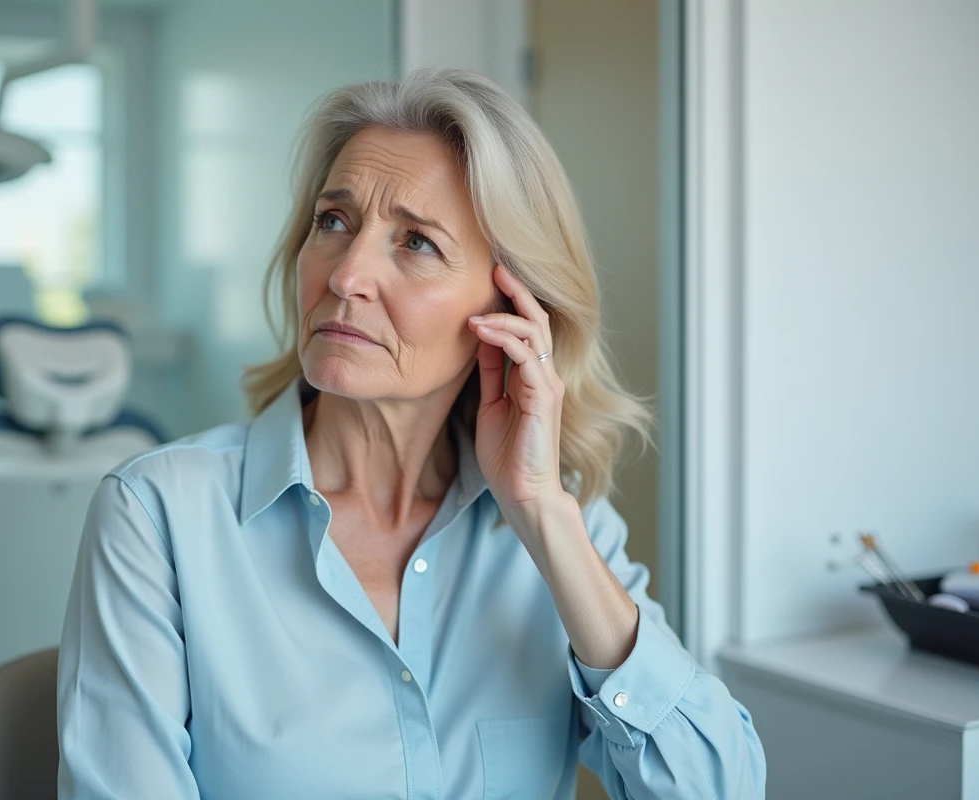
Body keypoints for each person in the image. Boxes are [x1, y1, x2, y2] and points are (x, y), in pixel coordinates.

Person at [57, 68, 765, 799]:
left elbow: (722, 789)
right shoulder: (158, 515)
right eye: (334, 222)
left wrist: (545, 518)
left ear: (511, 308)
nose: (346, 276)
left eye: (417, 242)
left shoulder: (563, 521)